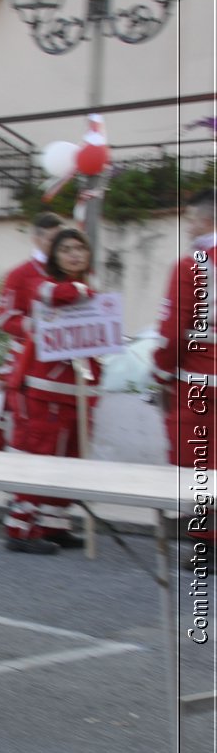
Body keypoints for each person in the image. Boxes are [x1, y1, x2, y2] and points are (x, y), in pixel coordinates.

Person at [3, 228, 98, 554]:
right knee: (39, 458)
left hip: (76, 394)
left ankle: (54, 525)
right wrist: (85, 290)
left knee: (70, 461)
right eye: (67, 249)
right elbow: (61, 296)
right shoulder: (42, 285)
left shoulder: (89, 290)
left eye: (80, 249)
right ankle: (21, 529)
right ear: (54, 255)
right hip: (44, 392)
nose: (74, 254)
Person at [153, 187, 215, 542]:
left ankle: (207, 544)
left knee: (200, 465)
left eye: (190, 220)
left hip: (199, 385)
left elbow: (172, 334)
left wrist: (161, 373)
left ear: (203, 219)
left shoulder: (190, 267)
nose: (188, 227)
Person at [0, 214, 67, 450]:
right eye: (52, 240)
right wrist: (37, 325)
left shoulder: (71, 273)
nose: (57, 247)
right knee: (31, 433)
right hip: (29, 364)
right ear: (36, 239)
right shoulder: (20, 274)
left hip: (64, 368)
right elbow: (4, 319)